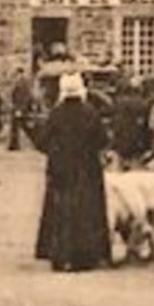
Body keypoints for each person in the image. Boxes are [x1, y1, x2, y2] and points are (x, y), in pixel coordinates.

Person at [33, 71, 112, 273]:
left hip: (61, 168)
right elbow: (102, 140)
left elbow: (42, 141)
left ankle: (60, 255)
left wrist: (55, 152)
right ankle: (86, 256)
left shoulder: (56, 114)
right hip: (87, 169)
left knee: (61, 212)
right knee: (86, 211)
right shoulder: (90, 112)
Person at [8, 68, 34, 151]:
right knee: (15, 126)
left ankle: (16, 144)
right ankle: (14, 144)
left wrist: (21, 108)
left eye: (17, 74)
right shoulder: (18, 82)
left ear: (20, 73)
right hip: (16, 107)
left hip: (20, 107)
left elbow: (25, 97)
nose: (16, 76)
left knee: (23, 126)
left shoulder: (24, 83)